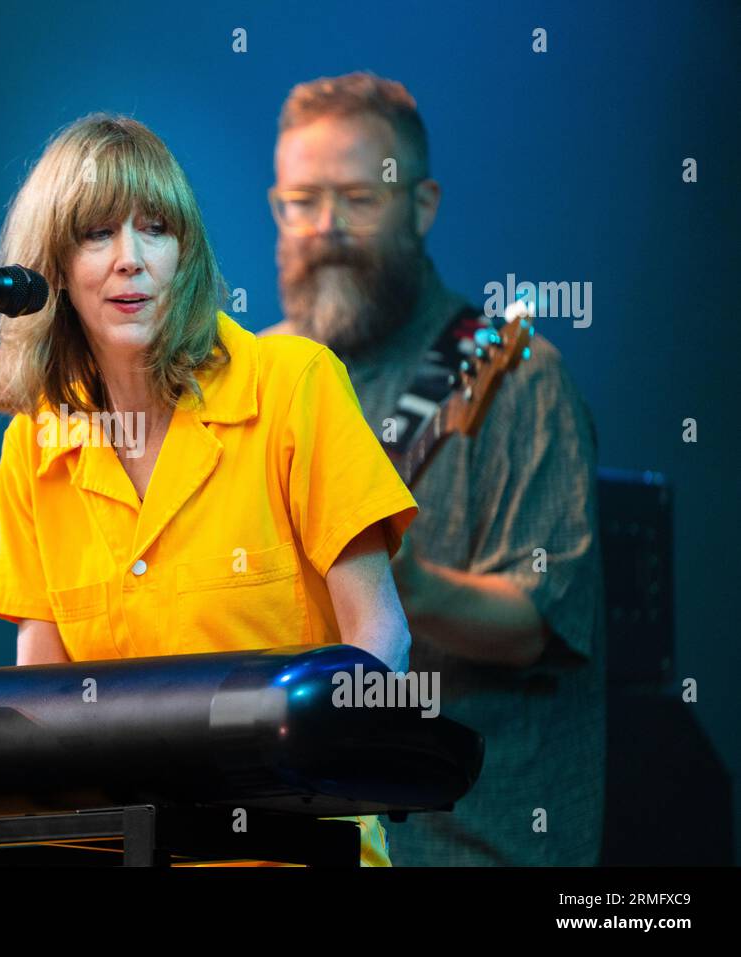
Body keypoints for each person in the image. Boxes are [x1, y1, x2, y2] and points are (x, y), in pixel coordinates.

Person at [0, 113, 418, 867]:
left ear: (188, 252)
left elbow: (383, 641)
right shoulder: (34, 442)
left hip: (298, 848)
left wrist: (317, 777)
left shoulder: (294, 385)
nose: (131, 260)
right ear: (51, 267)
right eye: (97, 233)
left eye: (156, 228)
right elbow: (41, 698)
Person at [261, 72, 605, 866]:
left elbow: (537, 618)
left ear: (421, 205)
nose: (326, 228)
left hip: (470, 839)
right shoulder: (259, 377)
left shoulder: (515, 373)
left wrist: (400, 586)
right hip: (311, 835)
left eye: (358, 197)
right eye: (301, 201)